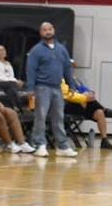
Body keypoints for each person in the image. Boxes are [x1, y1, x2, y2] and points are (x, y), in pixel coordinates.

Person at [25, 21, 77, 157]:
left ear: (53, 30)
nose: (47, 32)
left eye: (50, 29)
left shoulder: (61, 49)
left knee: (59, 116)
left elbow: (67, 68)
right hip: (42, 87)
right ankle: (40, 145)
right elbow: (31, 70)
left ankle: (63, 146)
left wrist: (71, 85)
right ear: (40, 32)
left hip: (57, 87)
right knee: (41, 116)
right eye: (44, 30)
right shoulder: (36, 50)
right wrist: (30, 88)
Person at [64, 62, 112, 149]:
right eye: (70, 67)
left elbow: (85, 89)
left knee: (99, 112)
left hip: (81, 103)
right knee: (85, 101)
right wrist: (84, 97)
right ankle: (105, 110)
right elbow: (67, 95)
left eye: (73, 67)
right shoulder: (61, 80)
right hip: (66, 105)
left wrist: (90, 93)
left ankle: (104, 140)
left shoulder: (74, 79)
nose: (72, 69)